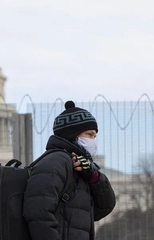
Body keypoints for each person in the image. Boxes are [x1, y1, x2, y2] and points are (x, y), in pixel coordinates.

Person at [23, 100, 116, 240]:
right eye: (89, 134)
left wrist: (93, 176)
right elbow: (38, 213)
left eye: (94, 136)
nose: (93, 141)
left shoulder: (80, 167)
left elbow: (102, 208)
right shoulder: (56, 162)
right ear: (73, 134)